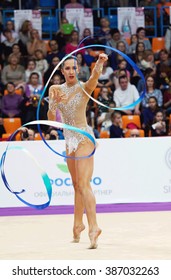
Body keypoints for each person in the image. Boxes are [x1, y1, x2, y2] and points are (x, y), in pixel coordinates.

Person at [48, 53, 108, 249]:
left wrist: (99, 62)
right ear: (62, 71)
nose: (71, 71)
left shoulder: (83, 87)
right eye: (67, 68)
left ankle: (94, 228)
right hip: (69, 140)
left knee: (83, 183)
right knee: (75, 184)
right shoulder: (55, 89)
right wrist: (53, 103)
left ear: (78, 70)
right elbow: (51, 119)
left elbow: (94, 79)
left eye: (74, 68)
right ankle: (77, 224)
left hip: (83, 137)